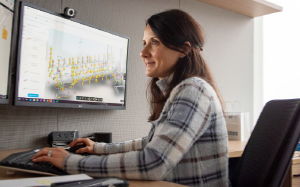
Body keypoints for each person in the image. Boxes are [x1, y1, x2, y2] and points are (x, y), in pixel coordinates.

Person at [32, 9, 228, 187]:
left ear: (184, 49)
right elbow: (150, 143)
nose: (143, 53)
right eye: (144, 43)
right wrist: (99, 148)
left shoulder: (193, 89)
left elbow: (153, 163)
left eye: (155, 42)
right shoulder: (183, 89)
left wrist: (70, 162)